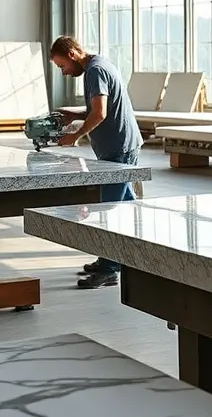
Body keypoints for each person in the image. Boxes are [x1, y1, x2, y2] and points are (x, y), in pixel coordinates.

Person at [48, 35, 143, 289]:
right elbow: (99, 108)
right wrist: (75, 115)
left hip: (119, 148)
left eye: (62, 66)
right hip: (118, 145)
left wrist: (75, 136)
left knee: (109, 206)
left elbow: (100, 113)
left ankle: (111, 269)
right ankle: (120, 259)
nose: (64, 73)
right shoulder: (98, 64)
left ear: (71, 55)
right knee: (125, 204)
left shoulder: (94, 72)